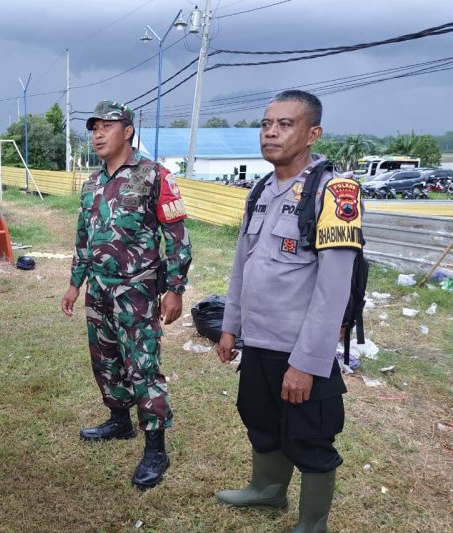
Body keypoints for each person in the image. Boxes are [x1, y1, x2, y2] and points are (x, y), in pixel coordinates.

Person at [216, 90, 362, 532]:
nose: (271, 132)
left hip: (299, 346)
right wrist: (230, 326)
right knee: (260, 419)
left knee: (310, 436)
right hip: (258, 340)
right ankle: (267, 491)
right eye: (266, 124)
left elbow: (334, 287)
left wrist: (308, 362)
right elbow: (244, 263)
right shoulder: (261, 188)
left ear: (312, 133)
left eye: (285, 124)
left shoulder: (335, 191)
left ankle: (311, 524)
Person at [60, 100, 192, 490]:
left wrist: (174, 289)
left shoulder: (155, 176)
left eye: (106, 126)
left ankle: (156, 447)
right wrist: (74, 282)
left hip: (137, 290)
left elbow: (178, 239)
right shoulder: (93, 182)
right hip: (98, 288)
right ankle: (119, 421)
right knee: (104, 358)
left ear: (128, 130)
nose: (97, 134)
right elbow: (84, 237)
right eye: (94, 128)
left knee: (143, 366)